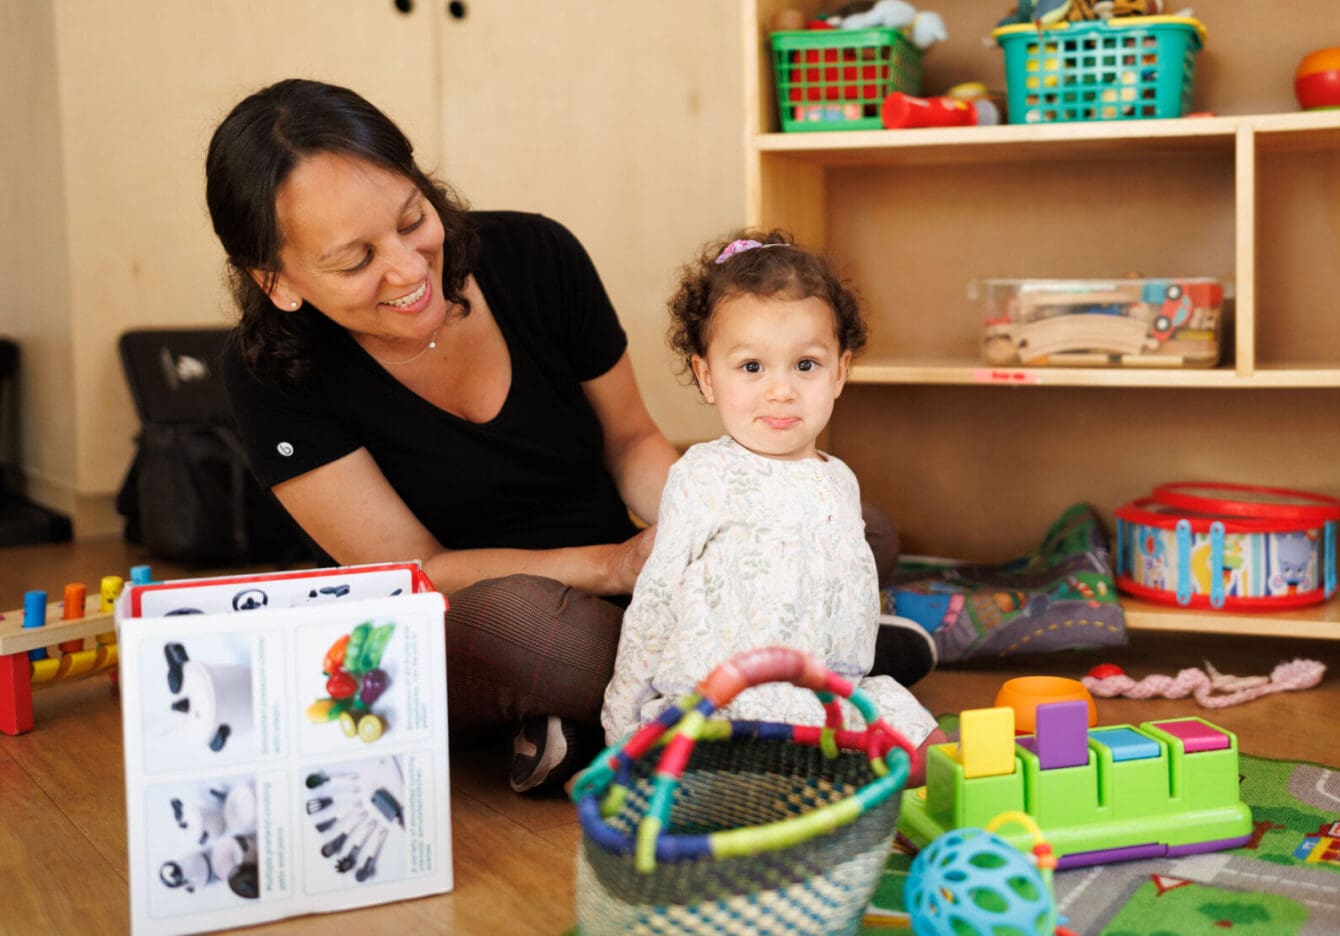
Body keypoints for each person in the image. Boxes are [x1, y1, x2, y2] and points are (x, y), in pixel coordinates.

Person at [206, 79, 934, 793]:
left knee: (845, 520)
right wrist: (612, 566)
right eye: (356, 260)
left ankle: (638, 714)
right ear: (278, 281)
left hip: (622, 576)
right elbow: (412, 570)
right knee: (536, 636)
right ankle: (807, 671)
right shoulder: (268, 373)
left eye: (410, 219)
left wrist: (717, 510)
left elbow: (630, 443)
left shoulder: (534, 257)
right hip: (475, 609)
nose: (406, 268)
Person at [601, 231, 946, 778]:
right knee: (740, 754)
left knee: (929, 744)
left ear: (840, 372)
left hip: (834, 692)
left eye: (805, 366)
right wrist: (622, 735)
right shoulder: (703, 475)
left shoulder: (840, 482)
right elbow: (655, 603)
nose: (781, 391)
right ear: (707, 376)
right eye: (752, 367)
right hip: (729, 697)